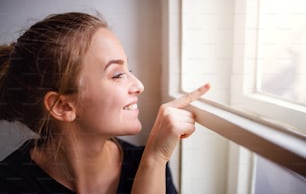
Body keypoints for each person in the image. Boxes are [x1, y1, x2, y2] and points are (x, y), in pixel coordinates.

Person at [0, 12, 210, 194]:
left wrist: (154, 161)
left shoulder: (150, 164)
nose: (139, 86)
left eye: (130, 71)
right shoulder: (10, 183)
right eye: (118, 74)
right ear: (63, 106)